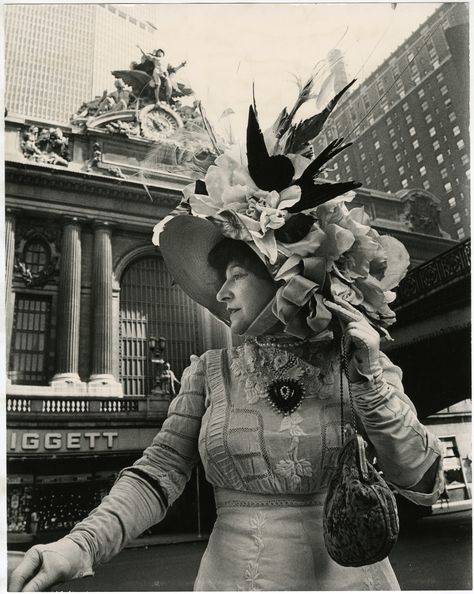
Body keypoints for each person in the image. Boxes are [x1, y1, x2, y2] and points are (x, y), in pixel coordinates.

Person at [9, 81, 444, 592]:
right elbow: (159, 473)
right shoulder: (209, 373)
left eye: (235, 275)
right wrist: (79, 545)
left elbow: (419, 479)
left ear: (282, 269)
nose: (222, 293)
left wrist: (370, 382)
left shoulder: (360, 364)